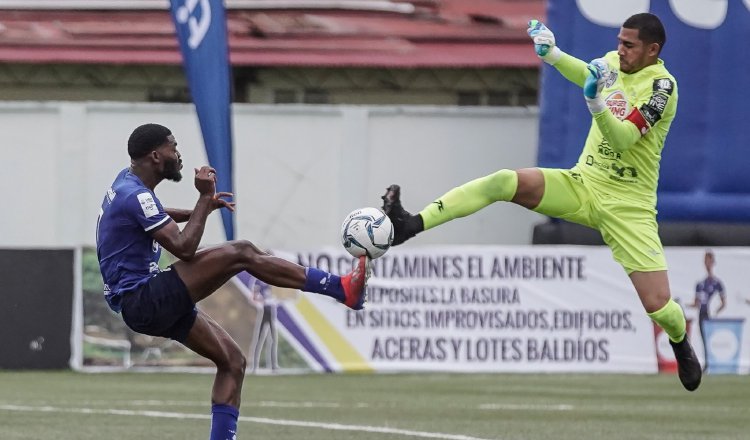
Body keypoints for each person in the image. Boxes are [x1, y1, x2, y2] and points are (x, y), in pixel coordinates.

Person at [380, 13, 701, 391]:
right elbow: (589, 75)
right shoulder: (613, 63)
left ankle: (680, 344)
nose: (620, 50)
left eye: (629, 45)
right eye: (619, 41)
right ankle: (408, 225)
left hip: (629, 208)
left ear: (653, 49)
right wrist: (551, 53)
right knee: (503, 182)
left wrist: (596, 103)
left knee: (660, 307)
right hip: (584, 183)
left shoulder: (663, 87)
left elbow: (624, 140)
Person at [96, 123, 370, 440]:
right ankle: (341, 289)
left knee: (233, 362)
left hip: (142, 303)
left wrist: (200, 208)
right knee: (240, 252)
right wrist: (202, 198)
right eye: (173, 147)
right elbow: (184, 249)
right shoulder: (135, 195)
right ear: (156, 156)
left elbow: (150, 212)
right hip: (145, 298)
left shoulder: (127, 183)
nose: (179, 153)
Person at [688, 250, 726, 371]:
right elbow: (696, 303)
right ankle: (707, 364)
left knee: (712, 339)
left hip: (710, 315)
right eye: (706, 261)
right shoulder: (700, 284)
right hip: (702, 314)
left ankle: (714, 363)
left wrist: (716, 312)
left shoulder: (717, 283)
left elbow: (723, 302)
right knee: (704, 339)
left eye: (709, 261)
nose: (707, 264)